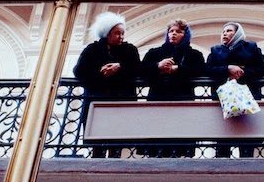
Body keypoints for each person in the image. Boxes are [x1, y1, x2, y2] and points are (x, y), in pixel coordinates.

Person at [73, 11, 141, 158]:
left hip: (121, 101)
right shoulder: (92, 50)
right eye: (117, 33)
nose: (121, 37)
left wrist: (120, 66)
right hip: (98, 101)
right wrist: (101, 72)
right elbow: (79, 71)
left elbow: (138, 69)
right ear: (107, 33)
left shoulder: (129, 50)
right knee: (98, 140)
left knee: (117, 139)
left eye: (122, 33)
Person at [140, 19, 206, 157]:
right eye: (171, 31)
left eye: (178, 31)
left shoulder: (193, 54)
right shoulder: (155, 53)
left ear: (185, 34)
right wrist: (158, 66)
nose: (173, 34)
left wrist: (178, 68)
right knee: (157, 138)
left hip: (182, 101)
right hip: (158, 100)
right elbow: (141, 70)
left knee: (179, 138)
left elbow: (200, 69)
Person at [206, 22, 264, 157]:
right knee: (223, 135)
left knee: (245, 136)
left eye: (229, 31)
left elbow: (262, 70)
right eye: (223, 31)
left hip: (246, 97)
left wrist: (242, 71)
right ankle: (221, 161)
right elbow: (208, 70)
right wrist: (227, 68)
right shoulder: (216, 50)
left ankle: (246, 161)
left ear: (238, 34)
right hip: (222, 99)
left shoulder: (250, 48)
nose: (225, 33)